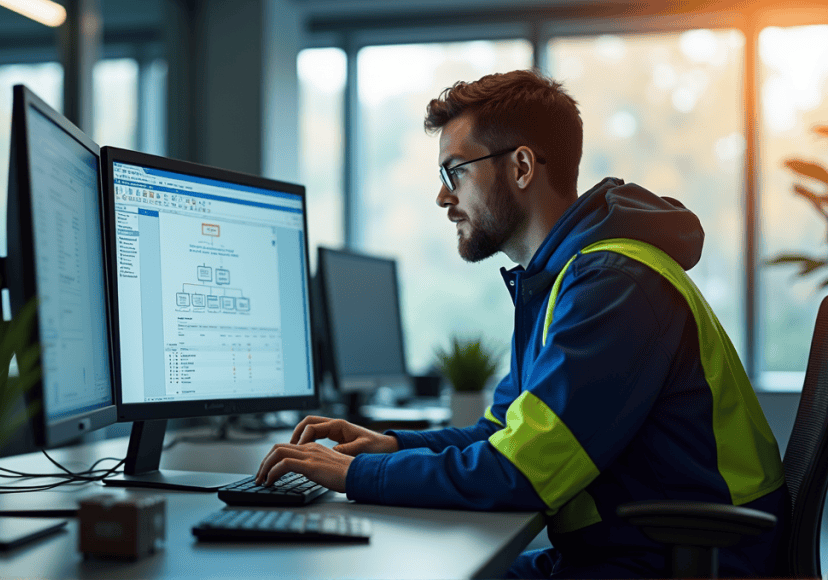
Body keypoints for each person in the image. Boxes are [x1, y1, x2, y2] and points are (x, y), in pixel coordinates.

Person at [254, 68, 788, 578]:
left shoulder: (614, 283)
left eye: (454, 171)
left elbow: (521, 473)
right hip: (633, 553)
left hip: (690, 562)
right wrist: (390, 446)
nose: (443, 195)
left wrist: (355, 475)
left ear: (522, 167)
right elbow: (505, 434)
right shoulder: (562, 280)